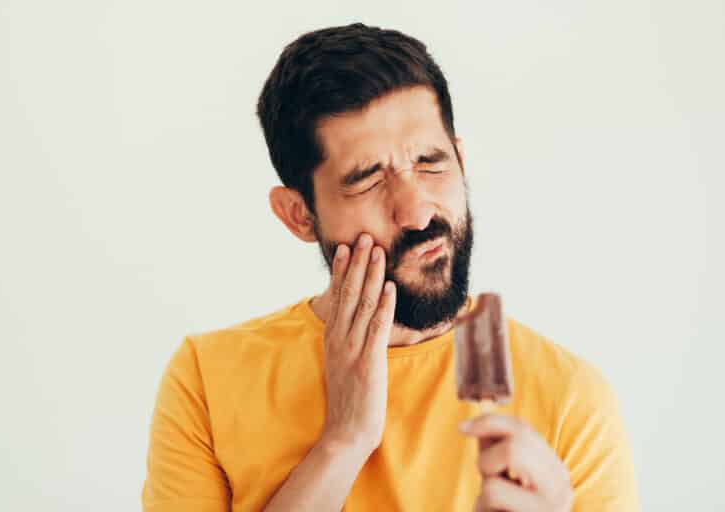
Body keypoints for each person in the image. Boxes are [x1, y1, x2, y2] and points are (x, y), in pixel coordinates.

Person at [141, 22, 640, 511]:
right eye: (366, 181)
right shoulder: (208, 379)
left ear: (461, 161)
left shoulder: (570, 397)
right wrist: (344, 440)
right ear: (299, 215)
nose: (418, 210)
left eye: (431, 161)